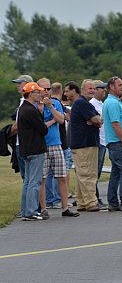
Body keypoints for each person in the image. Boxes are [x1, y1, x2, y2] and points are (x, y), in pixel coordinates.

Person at [37, 78, 79, 218]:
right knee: (42, 178)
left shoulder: (55, 103)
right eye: (44, 89)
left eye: (49, 89)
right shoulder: (35, 105)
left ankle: (65, 207)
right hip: (42, 146)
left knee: (61, 176)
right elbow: (39, 126)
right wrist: (52, 119)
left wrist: (51, 107)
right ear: (38, 90)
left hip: (56, 143)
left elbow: (61, 120)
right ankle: (43, 208)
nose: (47, 92)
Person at [66, 80, 103, 212]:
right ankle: (91, 202)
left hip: (85, 143)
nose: (92, 90)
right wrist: (96, 120)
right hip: (84, 144)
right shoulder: (82, 103)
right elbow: (97, 120)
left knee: (82, 173)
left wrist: (96, 120)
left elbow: (97, 120)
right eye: (89, 88)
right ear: (82, 90)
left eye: (94, 88)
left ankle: (81, 202)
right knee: (88, 174)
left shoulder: (85, 103)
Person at [17, 82, 48, 221]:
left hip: (26, 149)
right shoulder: (30, 110)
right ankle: (30, 212)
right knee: (34, 182)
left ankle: (25, 211)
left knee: (28, 182)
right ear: (31, 94)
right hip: (35, 149)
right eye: (38, 92)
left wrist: (40, 111)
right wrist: (40, 113)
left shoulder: (23, 109)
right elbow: (43, 129)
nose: (40, 94)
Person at [103, 76, 122, 212]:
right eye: (119, 85)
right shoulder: (113, 103)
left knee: (116, 172)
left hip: (115, 143)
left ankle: (113, 202)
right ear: (112, 87)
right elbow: (115, 124)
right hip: (117, 143)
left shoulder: (113, 102)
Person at [11, 75, 34, 218]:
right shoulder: (23, 102)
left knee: (29, 179)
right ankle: (27, 209)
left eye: (20, 83)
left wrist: (8, 134)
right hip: (23, 144)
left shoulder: (25, 103)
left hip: (24, 144)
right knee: (27, 179)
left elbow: (18, 125)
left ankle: (28, 209)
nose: (17, 86)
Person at [90, 79, 108, 209]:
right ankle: (94, 198)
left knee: (98, 171)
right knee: (94, 172)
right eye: (102, 88)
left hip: (103, 141)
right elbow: (97, 120)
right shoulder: (92, 104)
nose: (104, 90)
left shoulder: (101, 104)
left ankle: (94, 197)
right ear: (95, 89)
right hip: (98, 141)